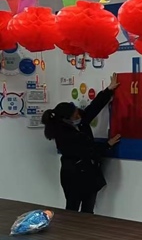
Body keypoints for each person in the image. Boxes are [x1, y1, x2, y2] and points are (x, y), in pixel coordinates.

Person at [41, 73, 122, 214]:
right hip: (73, 175)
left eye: (78, 112)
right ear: (66, 119)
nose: (79, 116)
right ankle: (70, 229)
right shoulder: (63, 135)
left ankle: (86, 229)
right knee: (72, 208)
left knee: (88, 209)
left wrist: (109, 90)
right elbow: (87, 150)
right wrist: (107, 144)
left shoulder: (80, 122)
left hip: (89, 173)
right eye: (76, 115)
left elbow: (93, 108)